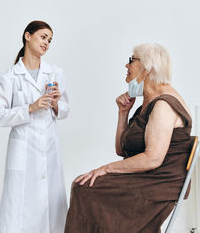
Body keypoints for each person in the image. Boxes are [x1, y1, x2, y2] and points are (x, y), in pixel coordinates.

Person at [64, 43, 193, 233]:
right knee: (83, 185)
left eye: (132, 60)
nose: (127, 66)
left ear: (147, 69)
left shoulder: (164, 105)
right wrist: (123, 113)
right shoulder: (147, 103)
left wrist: (105, 169)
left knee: (84, 187)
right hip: (147, 176)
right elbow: (122, 150)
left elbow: (153, 158)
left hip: (159, 182)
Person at [0, 21, 69, 233]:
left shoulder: (55, 73)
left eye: (50, 40)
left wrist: (55, 103)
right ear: (27, 36)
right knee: (20, 203)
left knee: (51, 202)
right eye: (43, 37)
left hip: (49, 147)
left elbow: (66, 109)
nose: (47, 43)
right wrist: (30, 108)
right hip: (24, 149)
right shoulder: (8, 77)